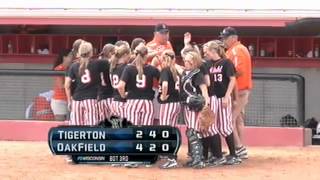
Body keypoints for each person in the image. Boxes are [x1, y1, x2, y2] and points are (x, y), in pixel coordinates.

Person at [205, 40, 242, 165]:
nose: (206, 54)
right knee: (213, 127)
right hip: (213, 98)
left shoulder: (226, 62)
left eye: (207, 52)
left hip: (223, 98)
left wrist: (227, 96)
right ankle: (217, 155)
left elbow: (232, 80)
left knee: (225, 126)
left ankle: (233, 155)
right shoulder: (207, 64)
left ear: (214, 51)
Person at [220, 27, 253, 159]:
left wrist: (225, 77)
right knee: (238, 119)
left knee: (229, 120)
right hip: (242, 89)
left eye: (225, 38)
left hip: (238, 90)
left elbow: (238, 70)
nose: (224, 41)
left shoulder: (235, 50)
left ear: (233, 37)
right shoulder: (240, 48)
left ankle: (239, 148)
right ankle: (240, 148)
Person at [65, 42, 108, 126]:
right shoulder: (98, 63)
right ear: (91, 52)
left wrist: (69, 101)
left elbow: (67, 85)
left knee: (76, 126)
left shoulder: (74, 66)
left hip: (77, 99)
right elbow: (111, 62)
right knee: (91, 125)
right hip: (91, 99)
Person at [180, 51, 209, 169]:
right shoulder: (185, 73)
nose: (186, 62)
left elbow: (204, 90)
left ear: (194, 62)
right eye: (185, 60)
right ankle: (195, 158)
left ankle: (198, 159)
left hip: (194, 106)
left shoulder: (197, 74)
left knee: (193, 132)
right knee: (191, 131)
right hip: (187, 105)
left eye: (188, 60)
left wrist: (206, 106)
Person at [118, 43, 160, 126]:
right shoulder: (152, 69)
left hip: (132, 102)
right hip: (147, 102)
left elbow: (120, 86)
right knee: (146, 130)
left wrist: (123, 96)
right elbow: (163, 81)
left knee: (132, 130)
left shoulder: (129, 68)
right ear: (146, 55)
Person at [157, 50, 181, 169]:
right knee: (172, 130)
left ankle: (172, 157)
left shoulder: (166, 70)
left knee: (165, 131)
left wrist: (163, 96)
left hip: (168, 103)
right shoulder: (177, 70)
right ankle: (172, 156)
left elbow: (165, 85)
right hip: (176, 103)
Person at [146, 23, 174, 122]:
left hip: (167, 84)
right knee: (155, 116)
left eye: (167, 33)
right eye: (162, 33)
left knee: (166, 116)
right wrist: (158, 53)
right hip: (155, 84)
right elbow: (145, 60)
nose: (165, 35)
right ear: (155, 34)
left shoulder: (168, 44)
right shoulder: (150, 45)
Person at [110, 42, 131, 119]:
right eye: (129, 55)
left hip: (114, 101)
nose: (130, 57)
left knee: (116, 127)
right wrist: (124, 96)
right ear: (125, 55)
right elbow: (121, 87)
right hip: (122, 102)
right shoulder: (126, 68)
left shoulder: (113, 67)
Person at [51, 49, 72, 120]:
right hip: (59, 101)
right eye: (70, 56)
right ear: (64, 57)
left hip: (69, 100)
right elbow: (61, 86)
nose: (72, 57)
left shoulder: (70, 68)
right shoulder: (58, 69)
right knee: (60, 124)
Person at [97, 44, 115, 122]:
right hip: (111, 97)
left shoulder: (97, 62)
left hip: (101, 97)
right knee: (115, 124)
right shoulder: (110, 63)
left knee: (103, 123)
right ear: (110, 53)